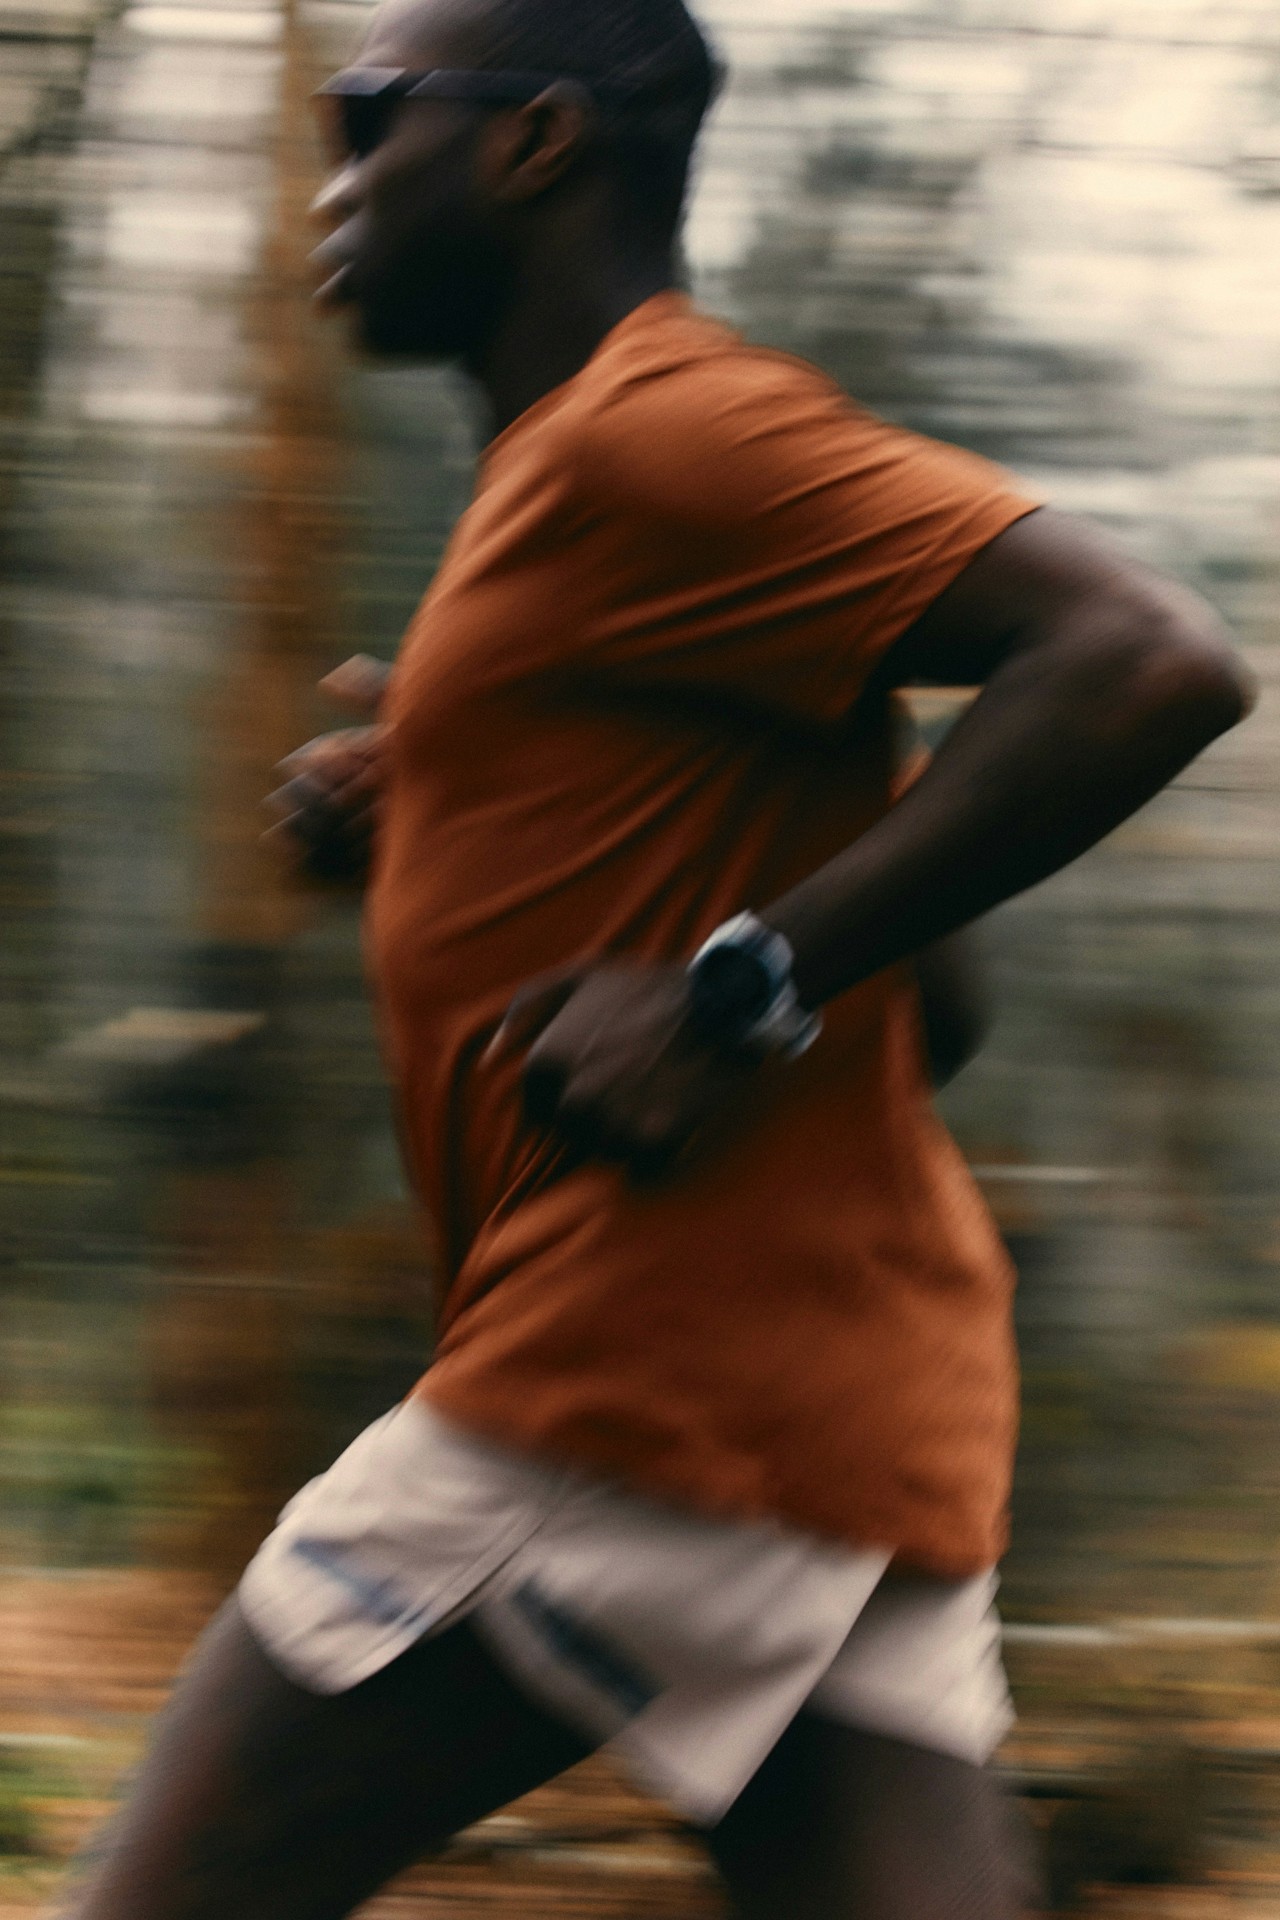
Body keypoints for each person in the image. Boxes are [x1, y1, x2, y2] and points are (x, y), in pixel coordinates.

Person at [59, 0, 1253, 1915]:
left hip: (623, 1387)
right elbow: (932, 1004)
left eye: (370, 119)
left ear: (537, 142)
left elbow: (1152, 656)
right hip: (838, 1415)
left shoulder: (665, 434)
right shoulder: (579, 502)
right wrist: (449, 820)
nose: (331, 178)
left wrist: (734, 985)